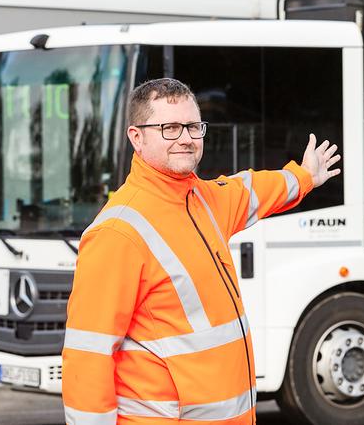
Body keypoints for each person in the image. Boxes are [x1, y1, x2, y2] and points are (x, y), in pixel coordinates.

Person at [61, 78, 341, 424]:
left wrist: (304, 177)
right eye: (170, 128)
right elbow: (88, 355)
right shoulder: (117, 232)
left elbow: (253, 189)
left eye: (193, 127)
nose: (186, 138)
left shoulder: (204, 200)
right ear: (137, 137)